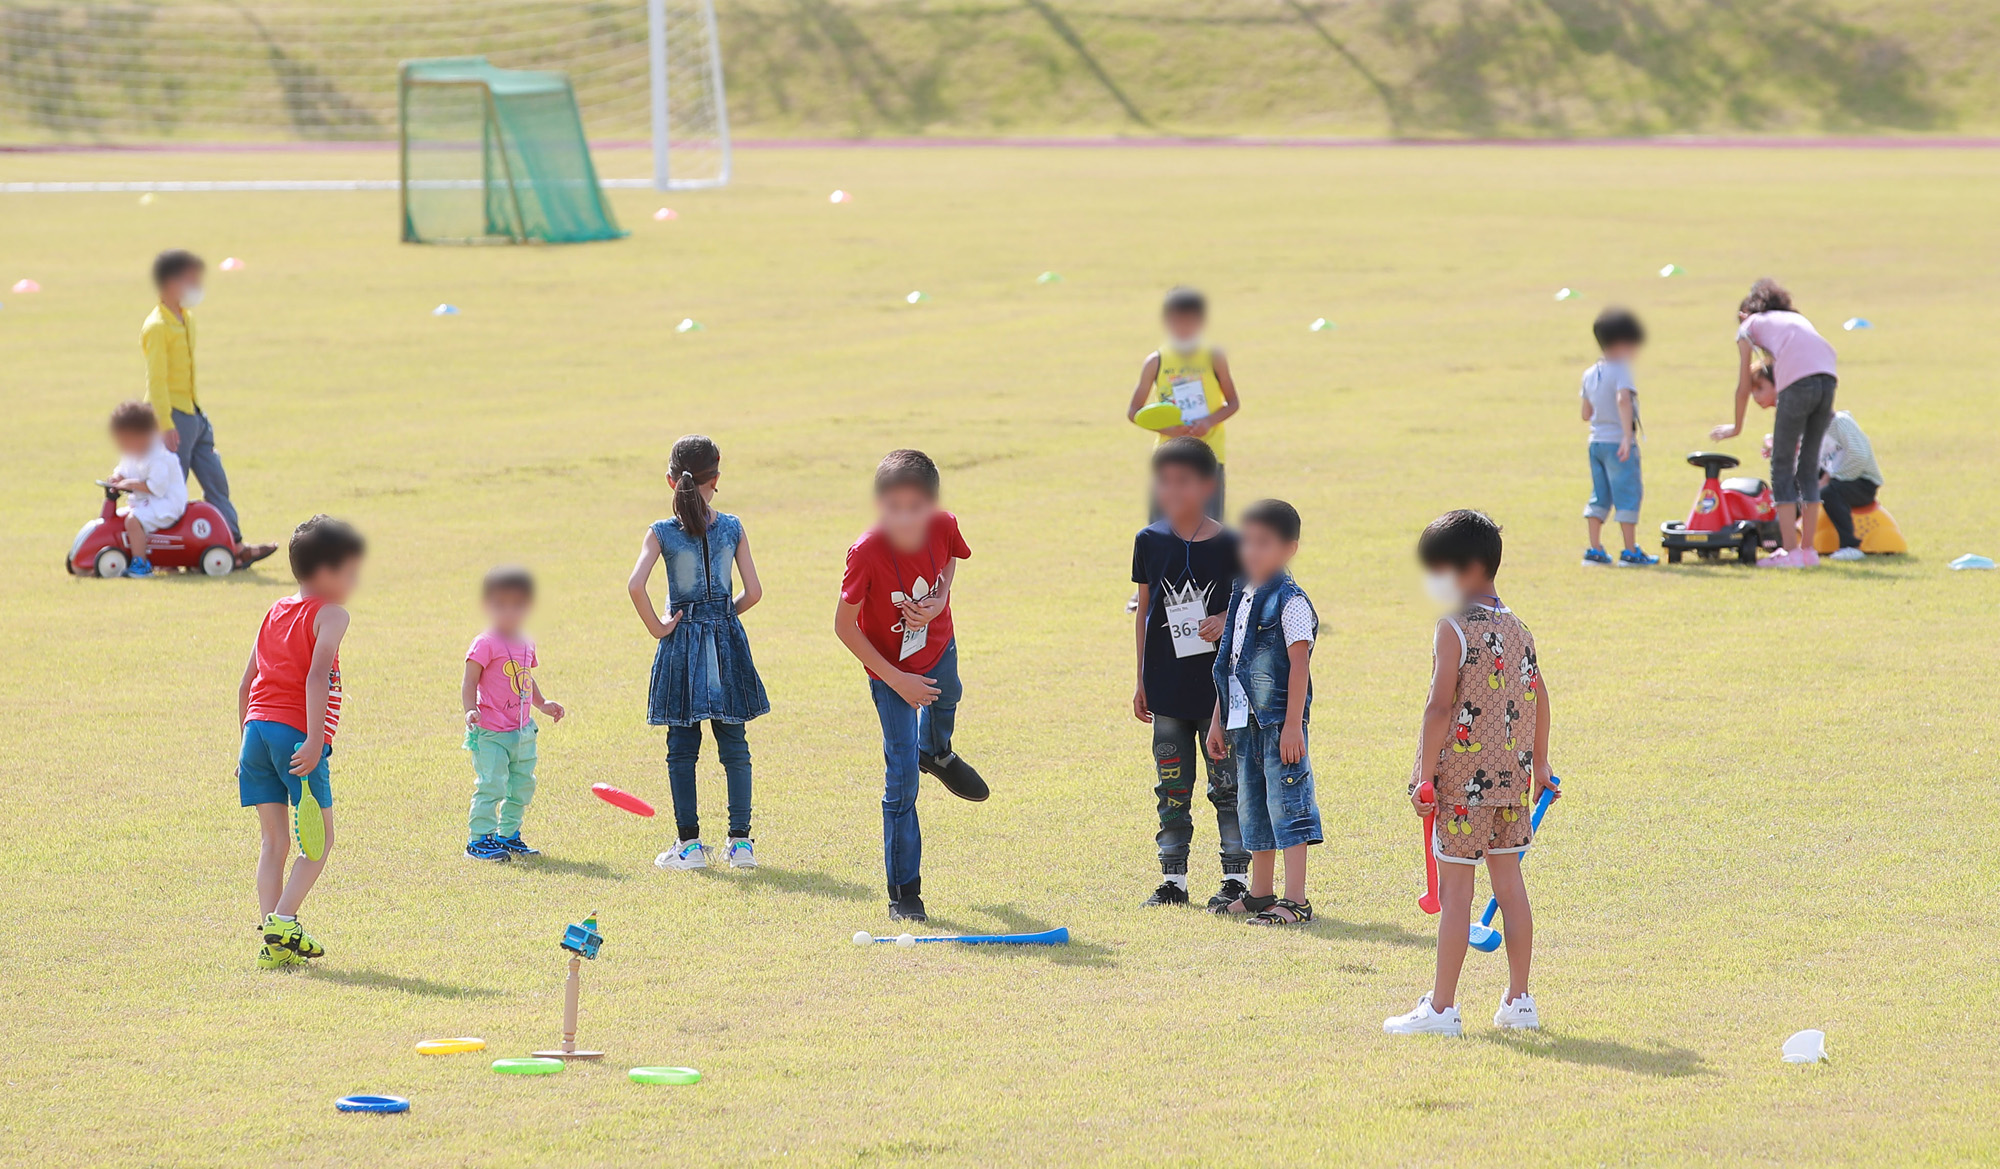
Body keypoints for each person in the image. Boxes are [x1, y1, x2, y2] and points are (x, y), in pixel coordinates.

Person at [1386, 510, 1557, 1036]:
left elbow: (1439, 709)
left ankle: (1441, 1009)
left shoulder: (1452, 628)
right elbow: (1540, 695)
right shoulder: (1519, 628)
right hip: (1511, 783)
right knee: (1511, 886)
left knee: (1456, 895)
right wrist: (1541, 762)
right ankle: (1519, 999)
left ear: (1465, 569)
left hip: (1461, 787)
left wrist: (1422, 772)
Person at [834, 450, 987, 922]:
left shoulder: (944, 525)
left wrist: (940, 597)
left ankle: (936, 751)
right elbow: (843, 626)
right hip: (890, 672)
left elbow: (950, 564)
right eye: (893, 507)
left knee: (950, 697)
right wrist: (897, 681)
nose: (904, 518)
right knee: (901, 783)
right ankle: (905, 892)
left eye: (915, 507)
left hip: (939, 647)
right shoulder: (866, 552)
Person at [627, 435, 770, 872]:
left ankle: (689, 847)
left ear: (671, 480)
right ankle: (740, 843)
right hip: (726, 643)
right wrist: (725, 612)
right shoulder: (733, 527)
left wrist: (659, 627)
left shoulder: (662, 532)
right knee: (735, 745)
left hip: (682, 644)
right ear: (717, 478)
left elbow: (635, 585)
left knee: (681, 747)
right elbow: (755, 592)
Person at [235, 515, 364, 970]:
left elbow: (247, 680)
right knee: (320, 843)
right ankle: (284, 920)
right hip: (295, 736)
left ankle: (272, 942)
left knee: (274, 843)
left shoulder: (274, 610)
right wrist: (313, 740)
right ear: (326, 574)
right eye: (350, 572)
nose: (354, 582)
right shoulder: (331, 614)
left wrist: (242, 744)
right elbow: (317, 674)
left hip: (255, 732)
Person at [1130, 438, 1249, 909]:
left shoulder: (1233, 543)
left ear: (1208, 485)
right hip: (1166, 686)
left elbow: (1249, 608)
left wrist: (1222, 619)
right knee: (1171, 784)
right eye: (1164, 480)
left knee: (1228, 784)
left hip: (1219, 692)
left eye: (1183, 480)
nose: (1171, 489)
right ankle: (1173, 880)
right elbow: (1143, 609)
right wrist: (1140, 677)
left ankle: (1236, 877)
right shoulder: (1148, 540)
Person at [1205, 499, 1321, 926]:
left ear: (1289, 549)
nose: (1252, 552)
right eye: (1247, 542)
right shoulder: (1242, 593)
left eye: (1264, 544)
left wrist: (1293, 726)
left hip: (1278, 725)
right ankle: (1260, 892)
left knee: (1288, 803)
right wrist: (1218, 719)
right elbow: (1229, 664)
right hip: (1243, 721)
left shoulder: (1290, 602)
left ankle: (1295, 901)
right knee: (1254, 804)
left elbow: (1299, 666)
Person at [142, 249, 278, 570]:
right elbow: (156, 379)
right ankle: (166, 554)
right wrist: (164, 422)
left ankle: (236, 544)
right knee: (171, 489)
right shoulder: (157, 326)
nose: (194, 286)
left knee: (216, 481)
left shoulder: (186, 320)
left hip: (194, 415)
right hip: (172, 417)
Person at [1123, 286, 1241, 611]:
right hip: (1169, 459)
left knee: (1209, 524)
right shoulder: (1157, 361)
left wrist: (1208, 422)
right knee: (1161, 526)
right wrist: (1168, 429)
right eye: (1177, 322)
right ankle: (1146, 591)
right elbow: (1134, 412)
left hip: (1208, 455)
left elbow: (1233, 402)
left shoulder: (1213, 356)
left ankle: (1213, 594)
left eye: (1189, 322)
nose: (1183, 328)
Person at [1711, 278, 1838, 569]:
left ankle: (1790, 553)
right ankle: (1808, 552)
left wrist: (1736, 427)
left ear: (1745, 312)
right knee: (1807, 467)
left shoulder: (1748, 325)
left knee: (1781, 467)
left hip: (1799, 384)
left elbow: (1744, 385)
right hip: (1828, 380)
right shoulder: (1794, 319)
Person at [461, 567, 566, 863]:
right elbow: (469, 681)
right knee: (491, 784)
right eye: (500, 605)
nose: (509, 612)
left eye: (517, 606)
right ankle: (478, 839)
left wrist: (542, 703)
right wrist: (471, 709)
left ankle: (507, 835)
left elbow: (524, 678)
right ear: (487, 605)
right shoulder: (484, 643)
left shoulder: (525, 641)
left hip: (521, 731)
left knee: (522, 784)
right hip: (491, 732)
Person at [1578, 308, 1656, 567]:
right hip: (1617, 443)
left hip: (1596, 442)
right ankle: (1630, 550)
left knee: (1599, 494)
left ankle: (1595, 549)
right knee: (1627, 493)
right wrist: (1626, 436)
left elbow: (1585, 413)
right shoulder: (1621, 369)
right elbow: (1623, 399)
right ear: (1623, 342)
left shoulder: (1590, 373)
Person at [104, 400, 188, 578]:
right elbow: (123, 469)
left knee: (133, 521)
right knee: (120, 516)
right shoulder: (132, 452)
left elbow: (156, 488)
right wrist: (117, 478)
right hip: (146, 501)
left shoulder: (158, 457)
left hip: (166, 503)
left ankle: (141, 564)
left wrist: (131, 484)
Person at [1818, 407, 1884, 561]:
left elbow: (1858, 455)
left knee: (1829, 492)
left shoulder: (1841, 423)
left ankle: (1850, 545)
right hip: (1838, 477)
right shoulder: (1814, 431)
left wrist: (1830, 479)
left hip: (1862, 482)